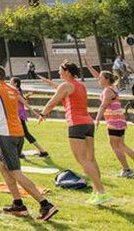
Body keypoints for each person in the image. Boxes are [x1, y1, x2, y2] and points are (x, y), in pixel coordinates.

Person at [0, 65, 58, 221]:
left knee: (15, 171)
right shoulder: (12, 89)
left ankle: (45, 204)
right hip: (18, 133)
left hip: (5, 134)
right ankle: (18, 204)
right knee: (1, 165)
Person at [38, 61, 108, 204]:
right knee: (91, 159)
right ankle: (97, 192)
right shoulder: (80, 85)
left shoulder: (66, 86)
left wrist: (43, 114)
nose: (59, 73)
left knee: (82, 160)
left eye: (60, 70)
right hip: (88, 122)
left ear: (68, 72)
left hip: (76, 123)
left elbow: (52, 102)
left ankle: (101, 192)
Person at [85, 62, 134, 178]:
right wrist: (88, 66)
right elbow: (98, 75)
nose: (98, 79)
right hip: (119, 121)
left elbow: (103, 106)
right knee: (122, 145)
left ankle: (127, 170)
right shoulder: (111, 87)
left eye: (100, 78)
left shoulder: (107, 91)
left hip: (114, 122)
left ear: (106, 79)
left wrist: (97, 119)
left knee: (115, 146)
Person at [10, 78, 49, 158]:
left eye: (11, 82)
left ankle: (42, 151)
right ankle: (19, 152)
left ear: (15, 84)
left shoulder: (16, 92)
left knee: (25, 134)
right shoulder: (17, 91)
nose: (10, 83)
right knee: (20, 133)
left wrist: (36, 114)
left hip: (19, 115)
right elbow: (24, 100)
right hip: (18, 115)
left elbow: (25, 104)